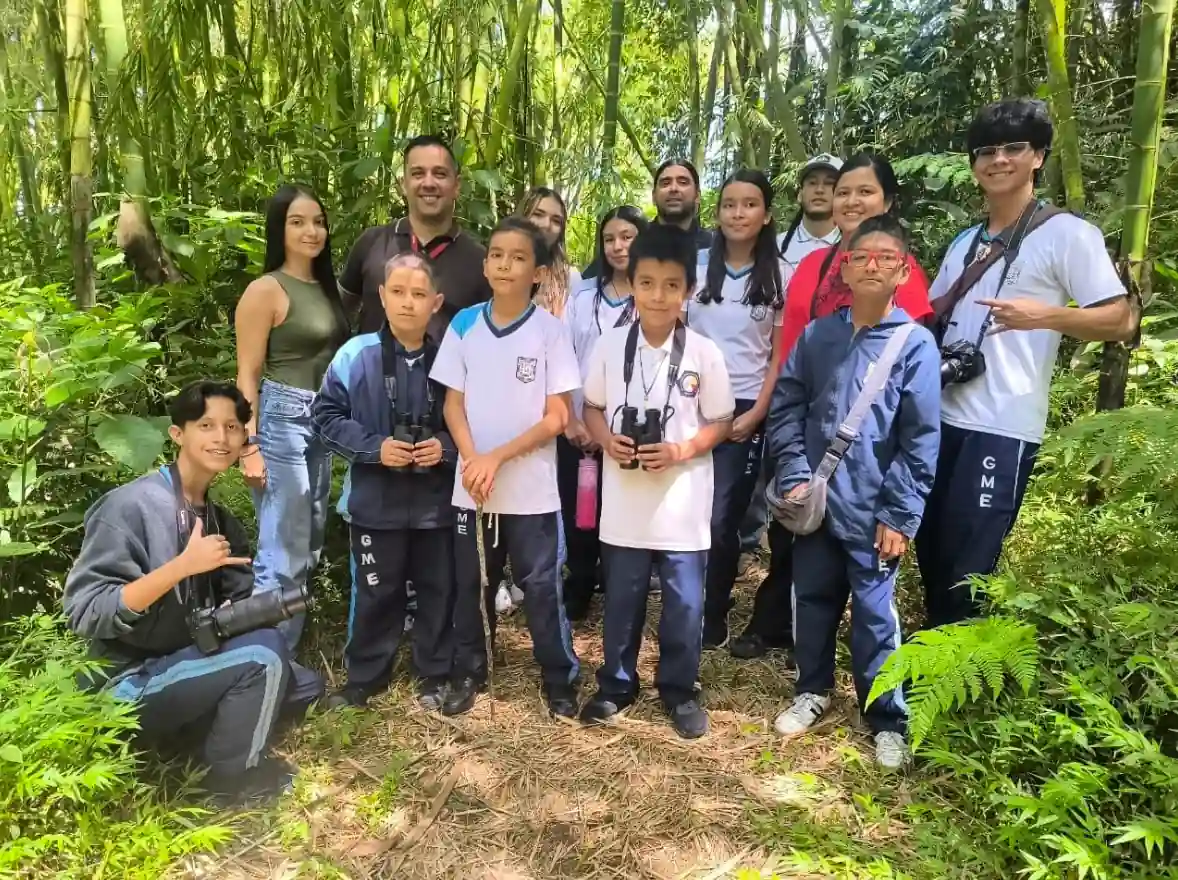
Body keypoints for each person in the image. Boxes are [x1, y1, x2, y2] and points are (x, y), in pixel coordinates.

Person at [916, 98, 1135, 626]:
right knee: (930, 548)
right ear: (973, 164)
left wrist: (1045, 316)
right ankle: (930, 655)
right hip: (941, 415)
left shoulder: (1067, 234)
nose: (999, 159)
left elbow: (1121, 319)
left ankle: (954, 663)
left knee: (969, 565)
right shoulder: (966, 242)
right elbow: (930, 316)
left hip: (1001, 426)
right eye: (986, 150)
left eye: (1014, 147)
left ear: (1037, 156)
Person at [62, 381, 324, 804]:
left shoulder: (221, 521)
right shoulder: (130, 507)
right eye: (206, 425)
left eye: (232, 427)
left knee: (305, 684)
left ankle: (189, 735)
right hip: (125, 681)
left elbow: (235, 604)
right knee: (264, 658)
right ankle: (232, 781)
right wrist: (181, 567)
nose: (221, 437)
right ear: (177, 434)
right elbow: (86, 612)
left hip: (185, 659)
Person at [729, 152, 935, 660]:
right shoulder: (812, 266)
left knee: (864, 576)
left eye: (865, 191)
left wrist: (900, 505)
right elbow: (788, 347)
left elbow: (911, 400)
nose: (850, 201)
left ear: (887, 201)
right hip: (801, 426)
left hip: (867, 451)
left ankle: (866, 674)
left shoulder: (904, 282)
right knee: (795, 536)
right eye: (844, 192)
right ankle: (800, 650)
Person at [768, 215, 941, 769]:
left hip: (874, 509)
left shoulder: (915, 345)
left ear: (903, 271)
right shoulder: (819, 335)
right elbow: (787, 406)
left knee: (874, 614)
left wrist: (900, 513)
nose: (872, 265)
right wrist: (794, 474)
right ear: (843, 267)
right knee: (812, 598)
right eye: (861, 256)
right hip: (817, 501)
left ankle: (886, 717)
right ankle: (811, 688)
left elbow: (920, 438)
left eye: (886, 257)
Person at [579, 224, 734, 738]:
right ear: (633, 283)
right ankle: (616, 684)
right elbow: (592, 407)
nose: (658, 296)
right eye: (647, 283)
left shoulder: (704, 353)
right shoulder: (608, 345)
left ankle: (679, 690)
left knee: (685, 604)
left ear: (688, 288)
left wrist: (679, 450)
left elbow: (722, 421)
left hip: (683, 503)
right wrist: (607, 441)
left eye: (671, 285)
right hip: (624, 503)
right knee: (622, 600)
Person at [431, 216, 582, 718]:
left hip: (532, 492)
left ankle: (559, 677)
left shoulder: (550, 332)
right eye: (496, 254)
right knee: (472, 583)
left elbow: (558, 417)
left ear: (537, 273)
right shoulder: (464, 324)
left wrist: (496, 457)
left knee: (541, 587)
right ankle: (470, 671)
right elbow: (453, 404)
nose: (504, 264)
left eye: (518, 257)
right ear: (485, 264)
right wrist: (473, 459)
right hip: (473, 487)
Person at [311, 254, 457, 712]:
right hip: (375, 503)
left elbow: (476, 423)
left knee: (438, 590)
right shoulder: (354, 355)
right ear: (381, 295)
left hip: (436, 505)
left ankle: (435, 673)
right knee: (377, 591)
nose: (407, 303)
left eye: (418, 294)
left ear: (436, 302)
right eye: (397, 292)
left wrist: (444, 447)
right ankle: (364, 678)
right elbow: (325, 415)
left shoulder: (452, 358)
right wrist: (375, 448)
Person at [235, 184, 349, 649]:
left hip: (322, 419)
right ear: (278, 230)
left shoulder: (327, 288)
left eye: (318, 222)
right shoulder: (266, 290)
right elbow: (247, 374)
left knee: (309, 539)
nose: (311, 231)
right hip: (282, 419)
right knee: (283, 545)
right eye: (297, 222)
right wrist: (248, 446)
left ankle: (282, 651)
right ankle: (263, 662)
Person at [684, 170, 785, 649]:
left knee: (721, 517)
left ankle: (713, 609)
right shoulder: (698, 266)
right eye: (729, 204)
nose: (738, 214)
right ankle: (685, 603)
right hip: (690, 402)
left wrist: (758, 411)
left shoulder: (781, 273)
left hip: (744, 409)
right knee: (687, 510)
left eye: (749, 204)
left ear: (766, 215)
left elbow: (778, 355)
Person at [736, 154, 844, 561]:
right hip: (770, 372)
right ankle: (751, 539)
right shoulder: (777, 247)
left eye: (829, 183)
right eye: (812, 182)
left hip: (828, 378)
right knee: (762, 459)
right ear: (799, 192)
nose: (820, 190)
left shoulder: (853, 248)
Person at [560, 206, 649, 620]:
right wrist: (571, 419)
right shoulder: (582, 298)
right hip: (578, 427)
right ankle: (579, 584)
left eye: (627, 236)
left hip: (630, 431)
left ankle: (620, 592)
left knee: (623, 512)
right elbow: (561, 358)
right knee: (580, 513)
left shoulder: (652, 297)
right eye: (610, 238)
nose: (618, 246)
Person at [340, 135, 492, 340]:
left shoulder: (479, 262)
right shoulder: (372, 243)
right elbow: (336, 313)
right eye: (418, 173)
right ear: (403, 184)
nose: (428, 183)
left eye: (440, 174)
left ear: (456, 185)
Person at [583, 160, 712, 278]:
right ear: (654, 197)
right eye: (665, 183)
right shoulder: (635, 240)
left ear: (697, 196)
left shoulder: (714, 245)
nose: (673, 189)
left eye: (683, 182)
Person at [520, 186, 582, 318]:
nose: (546, 224)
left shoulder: (570, 277)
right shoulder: (501, 267)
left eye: (556, 221)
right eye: (538, 214)